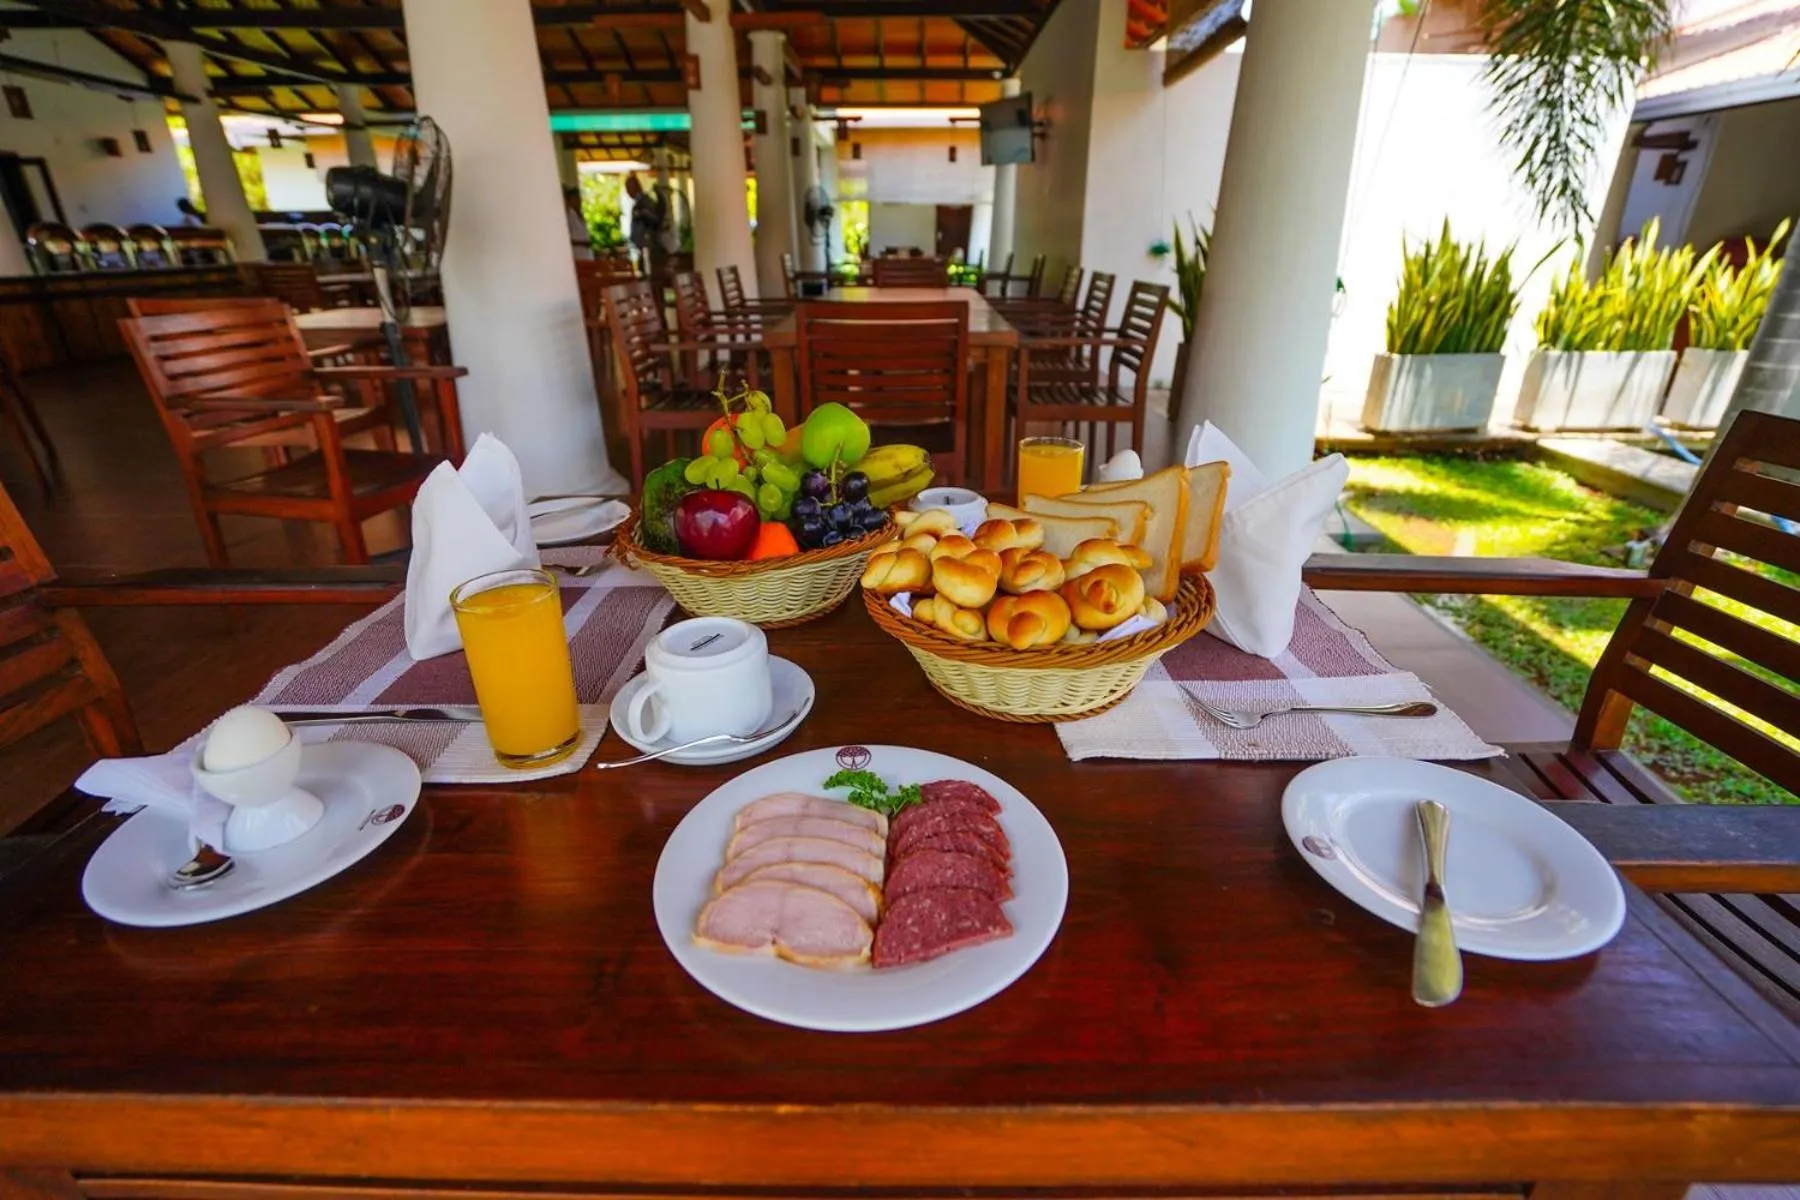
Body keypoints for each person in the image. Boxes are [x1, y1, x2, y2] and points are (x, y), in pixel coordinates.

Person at [564, 187, 593, 262]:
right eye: (575, 198)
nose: (579, 201)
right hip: (577, 254)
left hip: (586, 254)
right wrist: (582, 243)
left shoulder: (579, 214)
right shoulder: (568, 215)